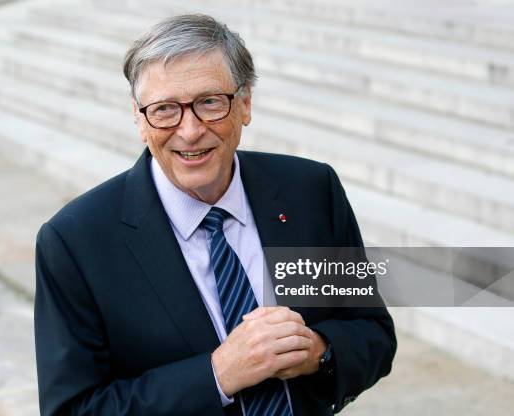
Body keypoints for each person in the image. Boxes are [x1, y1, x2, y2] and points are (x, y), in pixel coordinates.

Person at [34, 13, 396, 416]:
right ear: (139, 118)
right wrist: (217, 375)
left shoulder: (309, 191)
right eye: (165, 109)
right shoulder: (77, 242)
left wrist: (319, 353)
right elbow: (73, 409)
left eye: (209, 102)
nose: (189, 131)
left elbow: (371, 334)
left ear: (244, 105)